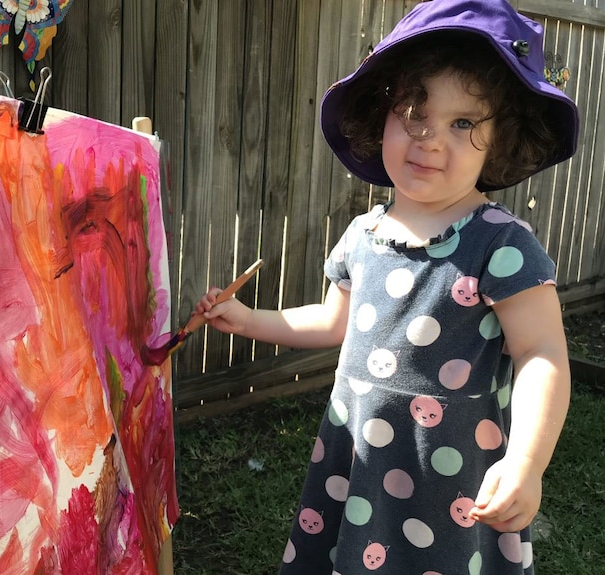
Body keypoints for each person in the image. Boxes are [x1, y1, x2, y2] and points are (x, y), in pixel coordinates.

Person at [194, 1, 578, 573]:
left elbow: (541, 353)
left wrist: (527, 457)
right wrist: (249, 320)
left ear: (501, 139)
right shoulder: (363, 235)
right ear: (382, 117)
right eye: (412, 113)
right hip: (359, 460)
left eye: (463, 123)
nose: (428, 139)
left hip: (447, 476)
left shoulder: (500, 245)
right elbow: (334, 322)